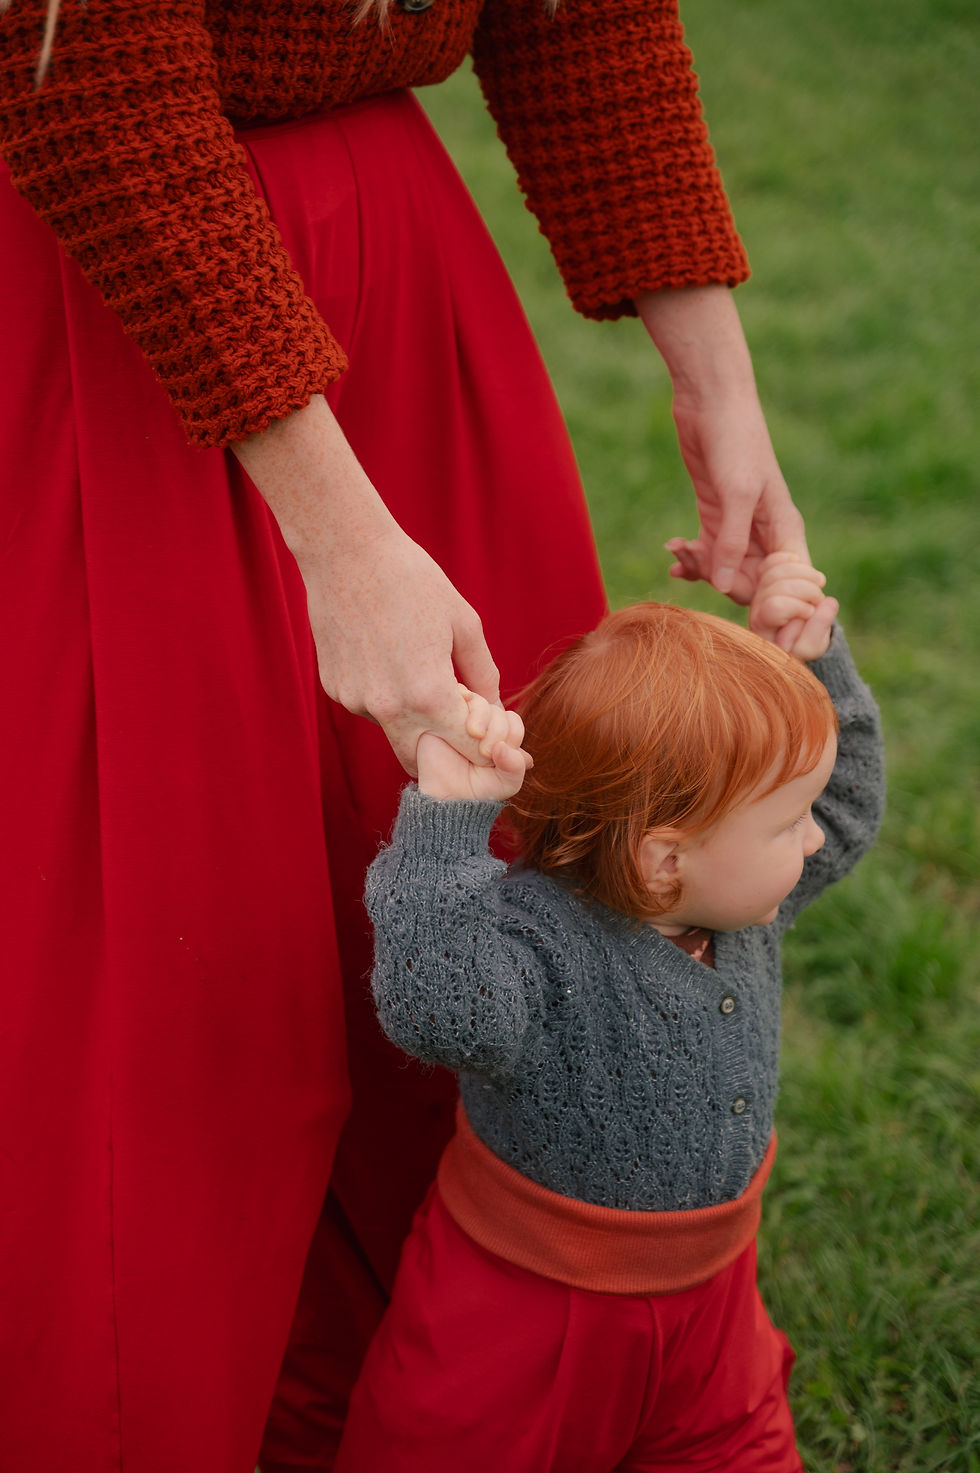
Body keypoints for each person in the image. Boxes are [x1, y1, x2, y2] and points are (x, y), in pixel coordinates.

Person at [0, 1, 809, 1470]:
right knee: (177, 939)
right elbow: (86, 77)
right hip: (102, 267)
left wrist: (719, 384)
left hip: (394, 265)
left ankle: (477, 1356)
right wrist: (345, 539)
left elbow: (586, 17)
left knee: (512, 857)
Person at [338, 552, 885, 1471]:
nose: (818, 833)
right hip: (531, 1320)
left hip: (713, 1301)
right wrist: (444, 825)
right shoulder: (541, 946)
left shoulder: (741, 904)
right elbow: (437, 1007)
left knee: (735, 1448)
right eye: (790, 821)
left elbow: (852, 807)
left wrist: (815, 661)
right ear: (664, 861)